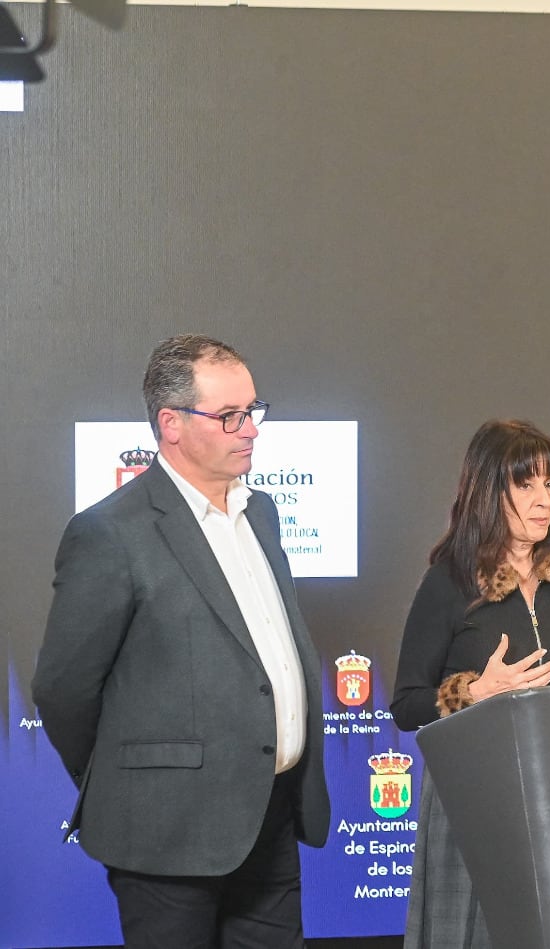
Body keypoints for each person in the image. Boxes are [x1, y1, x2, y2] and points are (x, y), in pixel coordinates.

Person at [32, 334, 330, 947]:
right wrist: (138, 778)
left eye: (253, 411)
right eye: (229, 416)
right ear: (170, 423)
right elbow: (64, 691)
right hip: (165, 835)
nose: (250, 429)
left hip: (269, 821)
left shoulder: (263, 513)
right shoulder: (110, 534)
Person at [391, 418, 550, 948]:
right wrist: (476, 693)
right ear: (488, 490)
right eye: (525, 484)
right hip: (476, 801)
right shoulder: (450, 580)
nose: (543, 499)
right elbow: (406, 705)